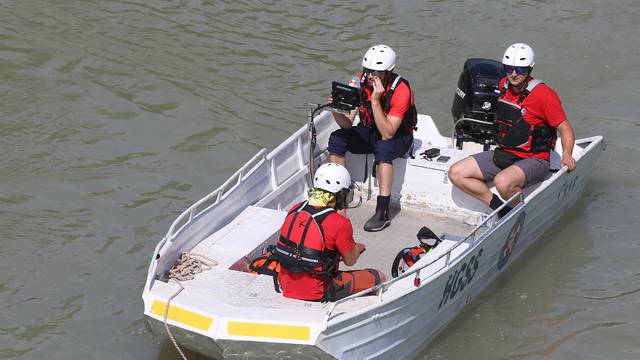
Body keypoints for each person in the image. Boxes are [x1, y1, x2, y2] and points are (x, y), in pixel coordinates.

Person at [448, 43, 576, 217]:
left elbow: (565, 128)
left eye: (520, 70)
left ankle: (524, 214)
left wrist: (567, 155)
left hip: (535, 159)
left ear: (529, 69)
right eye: (509, 68)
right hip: (505, 154)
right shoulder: (503, 86)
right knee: (456, 173)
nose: (514, 74)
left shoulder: (544, 95)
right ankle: (503, 210)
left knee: (503, 182)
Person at [327, 44, 417, 232]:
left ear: (388, 72)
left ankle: (382, 212)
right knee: (337, 138)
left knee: (383, 147)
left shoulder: (401, 90)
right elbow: (347, 124)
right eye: (367, 71)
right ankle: (339, 200)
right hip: (370, 131)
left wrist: (375, 100)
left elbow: (388, 133)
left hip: (398, 137)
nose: (370, 76)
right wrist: (336, 108)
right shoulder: (359, 83)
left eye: (376, 72)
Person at [275, 163, 386, 301]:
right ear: (337, 195)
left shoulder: (296, 208)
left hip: (286, 284)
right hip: (318, 290)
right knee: (379, 277)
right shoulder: (339, 223)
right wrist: (356, 247)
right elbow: (350, 261)